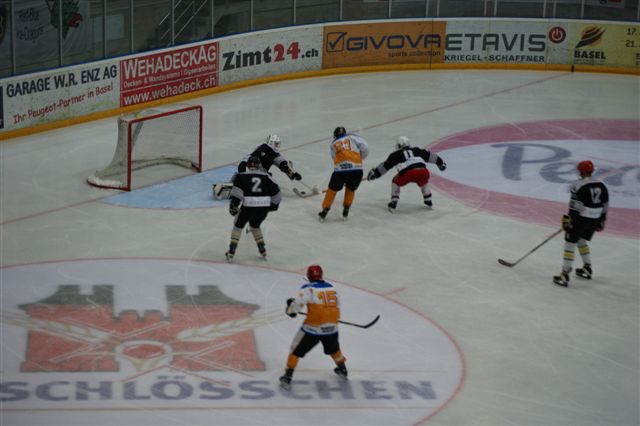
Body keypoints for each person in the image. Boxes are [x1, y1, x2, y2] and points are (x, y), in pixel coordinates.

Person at [279, 264, 348, 390]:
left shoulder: (308, 288)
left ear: (308, 276)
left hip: (313, 328)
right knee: (334, 349)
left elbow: (296, 307)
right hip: (332, 327)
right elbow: (336, 304)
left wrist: (290, 310)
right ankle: (342, 369)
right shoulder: (332, 287)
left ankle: (288, 375)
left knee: (295, 349)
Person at [553, 160, 609, 287]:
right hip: (595, 218)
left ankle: (565, 274)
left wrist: (569, 220)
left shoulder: (578, 185)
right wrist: (602, 219)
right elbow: (605, 204)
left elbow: (575, 206)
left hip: (582, 218)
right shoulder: (601, 185)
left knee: (570, 243)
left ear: (581, 171)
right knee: (581, 240)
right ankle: (587, 267)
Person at [225, 155, 282, 262]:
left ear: (247, 165)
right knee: (255, 226)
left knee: (237, 227)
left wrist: (234, 206)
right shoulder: (266, 176)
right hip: (263, 208)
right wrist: (272, 206)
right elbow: (277, 195)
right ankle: (262, 250)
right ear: (258, 165)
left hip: (248, 207)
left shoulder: (241, 176)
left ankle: (231, 252)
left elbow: (237, 194)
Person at [366, 136, 446, 212]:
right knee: (423, 181)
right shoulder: (417, 150)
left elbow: (385, 166)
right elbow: (431, 156)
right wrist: (441, 163)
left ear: (399, 145)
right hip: (424, 171)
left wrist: (375, 173)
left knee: (395, 181)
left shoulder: (395, 155)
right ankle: (428, 198)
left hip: (408, 173)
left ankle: (394, 201)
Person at [213, 134, 301, 200]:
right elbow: (282, 163)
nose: (278, 146)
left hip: (249, 172)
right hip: (257, 175)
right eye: (276, 144)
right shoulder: (266, 148)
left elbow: (282, 163)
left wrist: (291, 173)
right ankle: (231, 188)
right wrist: (291, 173)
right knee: (267, 186)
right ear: (271, 142)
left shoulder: (263, 148)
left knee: (248, 183)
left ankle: (232, 186)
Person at [318, 126, 369, 221]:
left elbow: (334, 157)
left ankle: (325, 210)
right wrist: (360, 158)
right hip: (357, 169)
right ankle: (346, 209)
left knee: (332, 190)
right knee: (351, 189)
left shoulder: (333, 144)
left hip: (341, 171)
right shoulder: (352, 137)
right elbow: (365, 146)